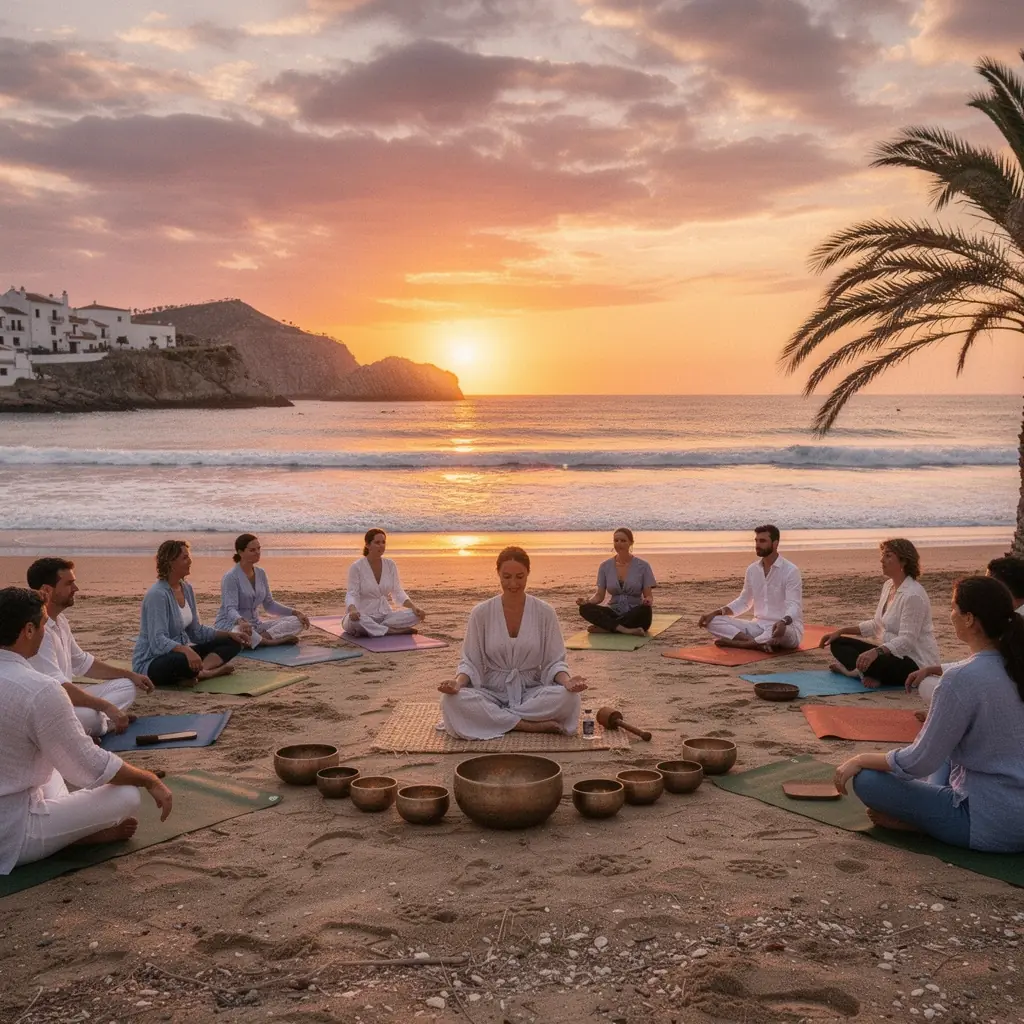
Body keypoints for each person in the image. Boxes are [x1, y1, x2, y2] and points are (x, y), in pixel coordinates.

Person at [834, 575, 1024, 851]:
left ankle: (921, 822)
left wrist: (861, 758)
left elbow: (918, 762)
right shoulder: (1014, 664)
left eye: (953, 608)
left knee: (867, 779)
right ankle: (929, 809)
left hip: (988, 822)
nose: (951, 615)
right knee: (947, 749)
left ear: (969, 618)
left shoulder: (961, 677)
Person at [0, 587, 172, 876]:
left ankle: (66, 829)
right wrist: (148, 778)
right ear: (28, 630)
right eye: (43, 625)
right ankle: (70, 837)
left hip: (16, 794)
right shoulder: (41, 689)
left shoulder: (36, 686)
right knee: (128, 794)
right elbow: (88, 766)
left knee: (51, 766)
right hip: (12, 832)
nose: (45, 632)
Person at [439, 546, 588, 739]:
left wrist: (567, 682)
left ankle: (498, 720)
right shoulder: (481, 612)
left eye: (520, 576)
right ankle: (525, 724)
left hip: (531, 692)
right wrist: (457, 684)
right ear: (498, 574)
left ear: (528, 574)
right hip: (491, 691)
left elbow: (554, 661)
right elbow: (470, 661)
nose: (513, 584)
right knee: (451, 701)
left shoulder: (545, 612)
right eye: (506, 577)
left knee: (570, 699)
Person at [26, 558, 154, 737]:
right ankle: (100, 724)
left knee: (126, 686)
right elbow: (57, 688)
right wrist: (106, 706)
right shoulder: (38, 631)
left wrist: (130, 674)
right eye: (69, 584)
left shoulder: (60, 621)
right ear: (46, 590)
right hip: (49, 706)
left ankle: (100, 724)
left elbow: (83, 663)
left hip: (67, 700)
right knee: (90, 717)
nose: (76, 589)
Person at [819, 538, 939, 689]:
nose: (882, 560)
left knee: (874, 660)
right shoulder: (888, 586)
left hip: (915, 662)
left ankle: (856, 673)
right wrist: (841, 631)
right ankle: (867, 672)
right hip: (890, 655)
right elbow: (877, 625)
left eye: (888, 556)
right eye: (882, 555)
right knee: (838, 644)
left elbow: (907, 640)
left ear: (904, 561)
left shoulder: (913, 595)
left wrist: (876, 652)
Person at [907, 554, 1024, 707]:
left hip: (1006, 698)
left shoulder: (1011, 621)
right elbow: (985, 662)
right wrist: (934, 669)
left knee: (932, 686)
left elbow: (987, 666)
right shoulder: (1011, 619)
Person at [132, 540, 247, 687]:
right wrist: (186, 650)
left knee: (233, 642)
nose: (190, 561)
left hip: (181, 652)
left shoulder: (186, 588)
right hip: (152, 662)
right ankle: (204, 672)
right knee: (182, 661)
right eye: (185, 558)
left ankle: (202, 671)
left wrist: (229, 634)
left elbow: (196, 632)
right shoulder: (158, 595)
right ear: (171, 562)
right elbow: (158, 641)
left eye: (189, 556)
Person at [697, 525, 803, 651]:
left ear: (775, 544)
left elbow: (794, 605)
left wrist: (783, 622)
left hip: (785, 628)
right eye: (756, 541)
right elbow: (744, 602)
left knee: (782, 632)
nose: (758, 545)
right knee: (712, 621)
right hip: (758, 626)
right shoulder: (752, 570)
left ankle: (741, 644)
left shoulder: (791, 571)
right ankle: (753, 642)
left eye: (762, 541)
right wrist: (715, 613)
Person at [215, 534, 310, 647]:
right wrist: (241, 621)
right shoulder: (231, 577)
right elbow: (230, 609)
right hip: (232, 625)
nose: (257, 552)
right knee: (239, 633)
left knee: (297, 622)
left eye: (259, 549)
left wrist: (297, 613)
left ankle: (258, 640)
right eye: (252, 550)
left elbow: (269, 605)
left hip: (255, 627)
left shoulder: (261, 573)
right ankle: (272, 642)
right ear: (240, 552)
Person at [343, 529, 425, 637]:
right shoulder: (357, 566)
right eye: (377, 543)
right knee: (354, 621)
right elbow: (352, 593)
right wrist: (352, 610)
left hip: (386, 615)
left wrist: (414, 607)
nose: (381, 546)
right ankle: (392, 631)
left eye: (383, 542)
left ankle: (374, 629)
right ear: (367, 545)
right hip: (362, 615)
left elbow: (397, 591)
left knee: (416, 615)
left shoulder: (390, 565)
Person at [576, 528, 656, 636]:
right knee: (584, 609)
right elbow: (599, 596)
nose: (619, 544)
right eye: (616, 540)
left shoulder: (643, 566)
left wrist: (647, 601)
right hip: (614, 612)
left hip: (634, 613)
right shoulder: (605, 566)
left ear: (631, 543)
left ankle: (608, 628)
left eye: (623, 541)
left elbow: (648, 596)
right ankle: (625, 630)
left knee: (645, 610)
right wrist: (587, 601)